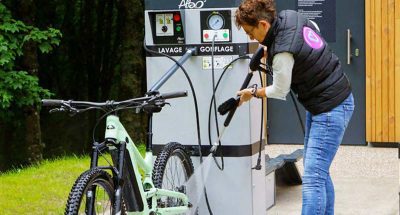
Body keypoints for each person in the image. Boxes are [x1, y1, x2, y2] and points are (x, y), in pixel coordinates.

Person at [234, 0, 355, 214]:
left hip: (330, 107)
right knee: (319, 171)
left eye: (251, 33)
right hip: (324, 102)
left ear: (263, 25)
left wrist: (253, 93)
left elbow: (280, 90)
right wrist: (268, 49)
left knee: (313, 178)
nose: (251, 39)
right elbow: (310, 32)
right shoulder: (289, 17)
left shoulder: (281, 53)